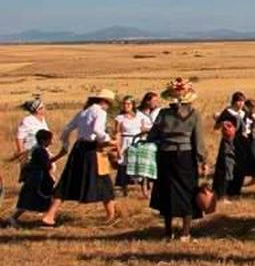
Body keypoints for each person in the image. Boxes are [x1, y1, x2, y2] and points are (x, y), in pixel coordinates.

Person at [41, 89, 118, 227]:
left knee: (67, 182)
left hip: (78, 150)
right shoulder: (100, 112)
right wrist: (109, 140)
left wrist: (65, 146)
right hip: (91, 150)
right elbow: (98, 130)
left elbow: (66, 129)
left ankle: (49, 215)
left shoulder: (83, 112)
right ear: (104, 101)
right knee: (104, 181)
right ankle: (111, 216)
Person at [147, 79, 207, 241]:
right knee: (188, 191)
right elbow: (198, 141)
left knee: (166, 192)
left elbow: (152, 136)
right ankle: (185, 233)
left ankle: (168, 232)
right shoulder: (194, 114)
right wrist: (202, 160)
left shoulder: (163, 114)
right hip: (185, 157)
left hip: (166, 156)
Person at [4, 129, 64, 227]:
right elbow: (46, 165)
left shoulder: (36, 149)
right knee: (41, 199)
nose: (51, 142)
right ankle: (48, 219)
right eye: (50, 140)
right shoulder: (41, 151)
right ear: (43, 140)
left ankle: (47, 218)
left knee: (29, 201)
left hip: (34, 179)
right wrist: (59, 157)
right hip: (38, 180)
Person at [113, 95, 151, 197]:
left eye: (128, 104)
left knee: (141, 166)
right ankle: (124, 190)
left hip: (138, 141)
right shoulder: (119, 118)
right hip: (126, 141)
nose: (126, 106)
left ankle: (145, 191)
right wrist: (118, 149)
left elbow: (143, 129)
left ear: (133, 105)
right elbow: (117, 134)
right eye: (124, 104)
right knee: (124, 166)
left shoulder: (140, 116)